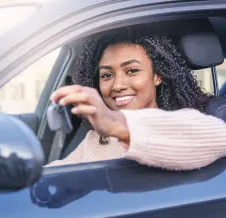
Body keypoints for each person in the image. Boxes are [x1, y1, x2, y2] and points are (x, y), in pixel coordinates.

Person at [48, 30, 226, 170]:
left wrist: (118, 125)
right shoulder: (95, 140)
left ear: (158, 75)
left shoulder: (188, 124)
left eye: (132, 71)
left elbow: (218, 136)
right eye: (107, 75)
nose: (117, 85)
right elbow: (55, 177)